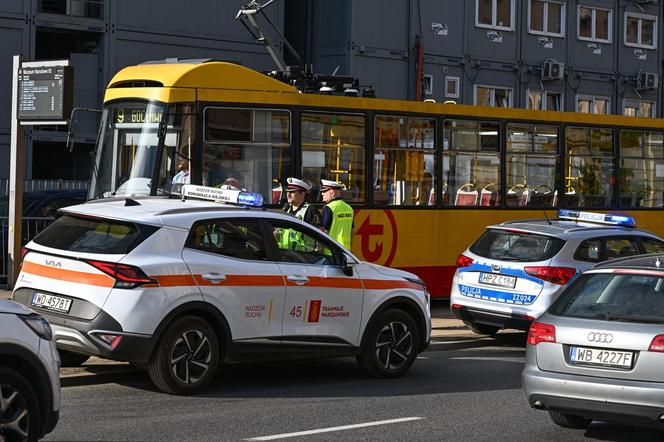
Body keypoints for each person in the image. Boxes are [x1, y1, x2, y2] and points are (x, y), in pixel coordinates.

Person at [278, 178, 321, 251]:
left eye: (292, 192)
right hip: (287, 254)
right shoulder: (287, 209)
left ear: (302, 194)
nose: (288, 195)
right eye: (287, 192)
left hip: (304, 257)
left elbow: (319, 236)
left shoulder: (311, 210)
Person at [320, 179, 354, 249]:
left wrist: (320, 250)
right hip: (345, 250)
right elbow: (352, 232)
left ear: (332, 193)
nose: (322, 194)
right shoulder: (349, 208)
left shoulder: (329, 208)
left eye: (324, 191)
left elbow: (324, 232)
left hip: (331, 251)